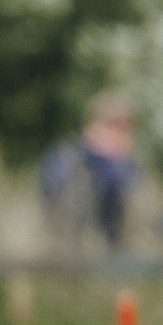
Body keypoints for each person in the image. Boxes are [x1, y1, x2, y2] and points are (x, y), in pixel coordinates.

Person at [39, 92, 142, 250]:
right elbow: (59, 211)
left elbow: (146, 219)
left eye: (126, 129)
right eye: (114, 127)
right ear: (91, 129)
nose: (121, 137)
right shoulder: (65, 161)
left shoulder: (130, 169)